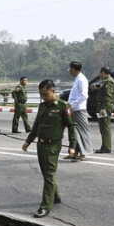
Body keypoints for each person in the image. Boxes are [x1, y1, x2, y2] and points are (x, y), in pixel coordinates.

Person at [23, 79, 77, 218]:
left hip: (53, 146)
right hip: (40, 144)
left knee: (49, 174)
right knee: (46, 173)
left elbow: (72, 127)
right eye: (41, 95)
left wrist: (72, 146)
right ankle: (56, 196)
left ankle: (45, 206)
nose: (43, 97)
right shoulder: (42, 106)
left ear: (53, 91)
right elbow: (36, 126)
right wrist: (28, 141)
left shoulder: (63, 106)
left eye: (46, 94)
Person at [66, 61, 92, 161]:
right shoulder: (77, 79)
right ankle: (75, 152)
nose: (69, 71)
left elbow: (84, 96)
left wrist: (72, 105)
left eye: (70, 69)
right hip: (74, 109)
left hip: (79, 109)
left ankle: (82, 154)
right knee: (74, 131)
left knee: (82, 131)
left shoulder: (82, 80)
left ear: (73, 69)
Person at [91, 67, 114, 153]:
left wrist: (103, 108)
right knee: (102, 127)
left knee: (105, 127)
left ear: (103, 73)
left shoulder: (109, 81)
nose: (100, 75)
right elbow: (103, 92)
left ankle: (106, 147)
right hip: (103, 106)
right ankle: (104, 146)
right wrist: (96, 89)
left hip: (105, 106)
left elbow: (108, 95)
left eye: (100, 73)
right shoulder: (106, 81)